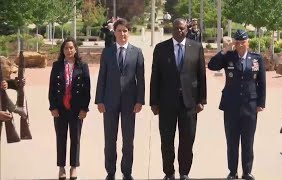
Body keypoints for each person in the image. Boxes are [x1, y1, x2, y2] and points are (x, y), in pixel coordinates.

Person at [150, 18, 207, 180]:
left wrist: (202, 100)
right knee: (167, 140)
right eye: (176, 28)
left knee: (187, 140)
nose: (179, 31)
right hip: (166, 103)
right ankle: (169, 173)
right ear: (172, 29)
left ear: (187, 30)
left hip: (189, 103)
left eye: (182, 28)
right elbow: (155, 76)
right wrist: (154, 102)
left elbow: (201, 75)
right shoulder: (161, 48)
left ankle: (184, 172)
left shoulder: (196, 48)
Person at [208, 29, 266, 180]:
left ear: (248, 42)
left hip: (250, 106)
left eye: (243, 42)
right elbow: (212, 66)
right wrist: (224, 50)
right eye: (238, 42)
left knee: (248, 141)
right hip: (231, 105)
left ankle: (247, 171)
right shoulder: (229, 57)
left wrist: (261, 103)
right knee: (232, 141)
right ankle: (232, 172)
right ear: (234, 43)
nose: (240, 45)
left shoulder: (256, 58)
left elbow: (262, 83)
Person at [95, 18, 145, 180]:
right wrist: (99, 100)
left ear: (128, 32)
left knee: (128, 140)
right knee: (110, 140)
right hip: (109, 102)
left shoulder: (137, 52)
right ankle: (110, 172)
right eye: (119, 31)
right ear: (114, 33)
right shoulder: (107, 52)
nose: (122, 33)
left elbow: (141, 79)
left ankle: (127, 172)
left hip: (130, 103)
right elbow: (102, 77)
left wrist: (140, 100)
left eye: (125, 31)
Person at [48, 37, 91, 180]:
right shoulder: (57, 66)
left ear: (76, 49)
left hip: (76, 109)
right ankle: (61, 167)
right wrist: (53, 106)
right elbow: (52, 88)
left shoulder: (82, 66)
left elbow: (87, 89)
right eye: (66, 48)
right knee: (61, 138)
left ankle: (73, 167)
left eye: (71, 48)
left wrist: (84, 109)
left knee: (75, 138)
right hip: (60, 109)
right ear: (63, 50)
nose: (69, 50)